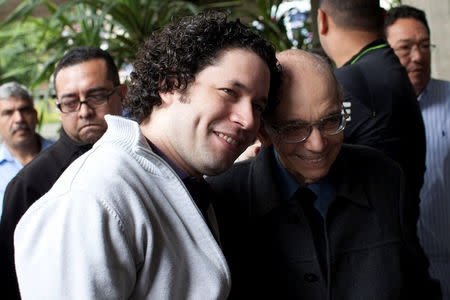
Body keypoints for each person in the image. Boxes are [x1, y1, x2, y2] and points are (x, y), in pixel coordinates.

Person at [13, 11, 280, 299]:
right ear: (169, 85)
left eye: (258, 106)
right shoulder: (89, 199)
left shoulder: (184, 179)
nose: (249, 120)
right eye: (229, 91)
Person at [207, 49, 441, 299]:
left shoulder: (384, 176)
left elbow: (418, 284)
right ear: (264, 132)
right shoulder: (223, 200)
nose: (318, 144)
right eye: (295, 128)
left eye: (330, 121)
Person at [0, 46, 125, 300]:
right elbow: (11, 279)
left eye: (97, 96)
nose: (84, 111)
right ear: (58, 108)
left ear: (122, 94)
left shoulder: (147, 157)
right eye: (70, 103)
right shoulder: (29, 184)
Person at [317, 0, 426, 214]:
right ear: (383, 18)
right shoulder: (389, 68)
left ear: (322, 20)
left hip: (368, 238)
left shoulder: (346, 83)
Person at [385, 6, 450, 298]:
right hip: (401, 269)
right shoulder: (377, 112)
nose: (418, 56)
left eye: (424, 45)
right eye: (405, 48)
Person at [0, 82, 53, 217]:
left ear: (35, 116)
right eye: (8, 113)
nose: (18, 119)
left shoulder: (65, 156)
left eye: (24, 110)